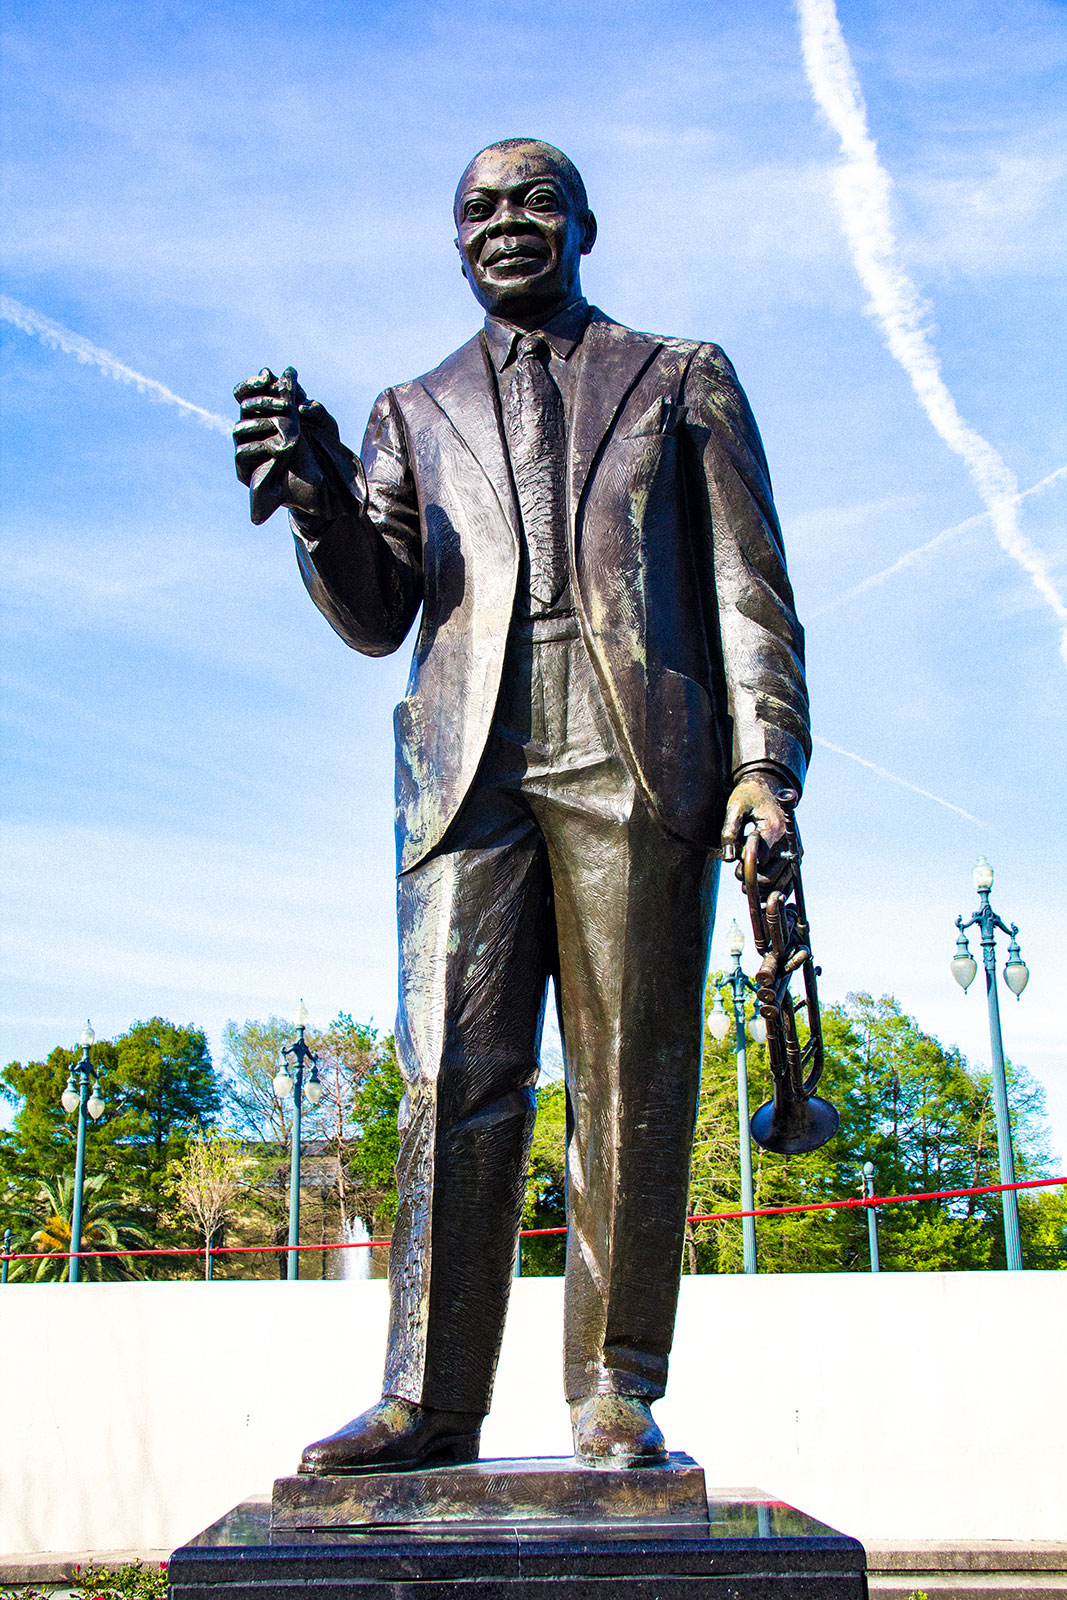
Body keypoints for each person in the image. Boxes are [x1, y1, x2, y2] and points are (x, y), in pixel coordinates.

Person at [233, 138, 810, 1474]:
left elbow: (749, 593)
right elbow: (380, 618)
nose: (508, 224)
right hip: (466, 763)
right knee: (452, 1081)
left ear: (586, 225)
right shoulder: (409, 407)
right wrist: (320, 502)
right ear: (454, 243)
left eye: (536, 202)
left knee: (631, 1082)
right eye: (480, 210)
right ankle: (428, 1405)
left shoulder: (683, 377)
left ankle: (617, 1392)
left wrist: (765, 765)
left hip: (638, 747)